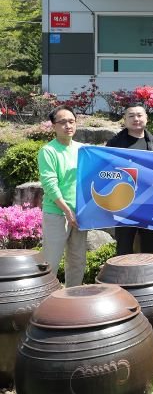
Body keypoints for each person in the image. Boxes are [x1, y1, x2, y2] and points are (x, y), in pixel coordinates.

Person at [105, 103, 153, 255]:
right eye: (131, 116)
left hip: (150, 203)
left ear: (146, 118)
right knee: (124, 247)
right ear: (125, 120)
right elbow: (106, 171)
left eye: (139, 115)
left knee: (150, 248)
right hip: (124, 204)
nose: (136, 119)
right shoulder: (114, 144)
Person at [38, 105, 87, 287]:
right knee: (51, 261)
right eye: (63, 122)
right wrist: (67, 211)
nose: (68, 125)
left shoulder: (83, 150)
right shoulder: (48, 151)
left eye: (71, 121)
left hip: (80, 213)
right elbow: (50, 185)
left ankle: (73, 297)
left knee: (77, 261)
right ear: (54, 126)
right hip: (57, 213)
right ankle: (44, 298)